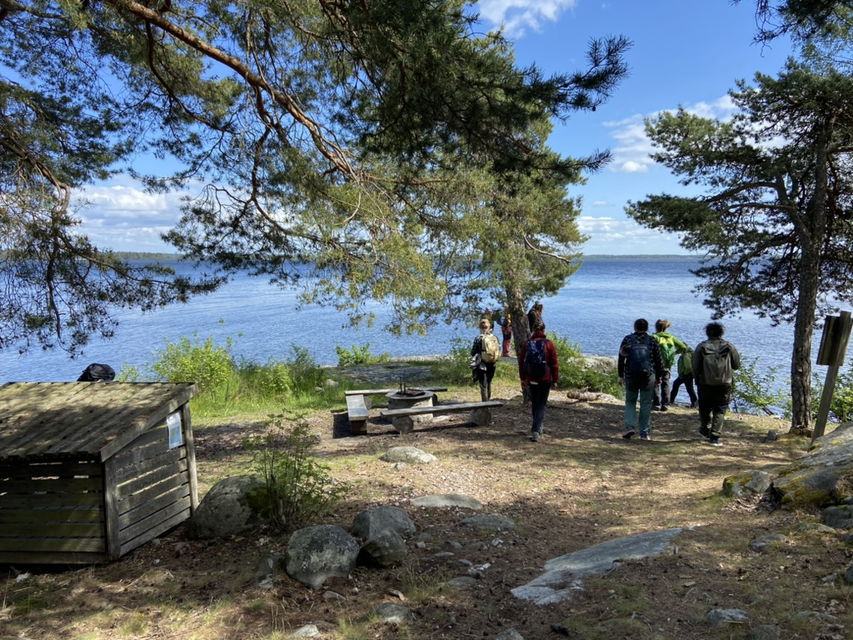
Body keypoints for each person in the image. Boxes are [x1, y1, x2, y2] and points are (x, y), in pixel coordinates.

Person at [693, 322, 741, 446]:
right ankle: (714, 436)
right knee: (720, 408)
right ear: (721, 333)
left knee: (704, 406)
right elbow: (736, 365)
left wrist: (696, 379)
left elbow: (695, 367)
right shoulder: (729, 346)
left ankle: (705, 428)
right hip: (724, 383)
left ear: (707, 333)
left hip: (705, 382)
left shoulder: (701, 347)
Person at [617, 318, 664, 441]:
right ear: (647, 328)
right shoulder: (652, 340)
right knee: (646, 404)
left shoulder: (627, 339)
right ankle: (644, 432)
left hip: (631, 375)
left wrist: (620, 375)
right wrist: (659, 377)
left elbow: (621, 358)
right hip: (648, 376)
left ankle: (629, 427)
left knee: (630, 402)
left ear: (635, 327)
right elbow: (659, 361)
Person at [518, 321, 559, 442]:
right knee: (541, 404)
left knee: (535, 403)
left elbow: (521, 363)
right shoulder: (548, 344)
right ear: (544, 330)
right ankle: (536, 430)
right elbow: (554, 364)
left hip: (531, 378)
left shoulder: (527, 344)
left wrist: (523, 378)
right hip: (545, 378)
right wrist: (555, 380)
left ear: (533, 330)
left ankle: (538, 427)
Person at [652, 319, 689, 411]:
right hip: (667, 364)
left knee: (655, 382)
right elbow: (683, 347)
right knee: (666, 383)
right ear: (666, 328)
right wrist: (674, 353)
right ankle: (665, 404)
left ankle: (656, 404)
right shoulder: (671, 337)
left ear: (656, 327)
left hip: (656, 364)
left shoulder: (654, 337)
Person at [470, 318, 500, 401]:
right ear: (489, 327)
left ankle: (485, 402)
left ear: (480, 328)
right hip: (492, 362)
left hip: (482, 363)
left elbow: (473, 352)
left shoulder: (478, 338)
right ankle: (488, 399)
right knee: (489, 382)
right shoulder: (494, 337)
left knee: (483, 384)